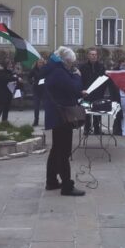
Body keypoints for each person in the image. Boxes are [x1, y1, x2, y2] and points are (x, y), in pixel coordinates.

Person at [42, 46, 86, 196]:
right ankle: (67, 185)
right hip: (62, 116)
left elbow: (67, 89)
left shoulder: (54, 69)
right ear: (66, 61)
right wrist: (77, 76)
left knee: (56, 150)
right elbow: (74, 87)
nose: (72, 66)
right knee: (63, 151)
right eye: (71, 63)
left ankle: (51, 181)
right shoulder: (59, 72)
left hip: (57, 115)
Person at [79, 49, 107, 135]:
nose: (94, 56)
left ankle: (97, 129)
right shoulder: (83, 67)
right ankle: (87, 129)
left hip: (98, 93)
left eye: (95, 54)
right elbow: (80, 80)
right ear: (88, 56)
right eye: (92, 54)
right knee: (86, 111)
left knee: (97, 112)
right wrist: (82, 90)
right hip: (86, 93)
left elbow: (104, 80)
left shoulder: (101, 66)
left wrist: (102, 91)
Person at [28, 58, 46, 126]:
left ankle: (47, 120)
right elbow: (29, 77)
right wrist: (32, 82)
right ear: (37, 63)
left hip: (44, 90)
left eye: (42, 62)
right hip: (36, 89)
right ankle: (36, 120)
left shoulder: (45, 69)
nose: (40, 64)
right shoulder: (34, 70)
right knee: (36, 106)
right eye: (39, 62)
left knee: (46, 106)